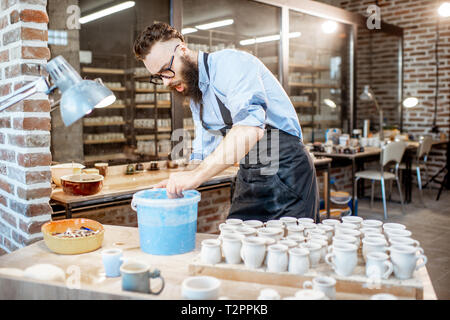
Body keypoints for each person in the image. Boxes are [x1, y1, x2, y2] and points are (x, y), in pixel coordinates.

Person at [133, 22, 319, 222]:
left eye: (166, 71)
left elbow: (249, 129)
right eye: (158, 77)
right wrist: (178, 181)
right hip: (251, 172)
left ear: (183, 51)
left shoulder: (231, 64)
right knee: (235, 240)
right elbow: (204, 149)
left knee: (289, 247)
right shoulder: (198, 92)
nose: (166, 82)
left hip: (287, 170)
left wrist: (195, 177)